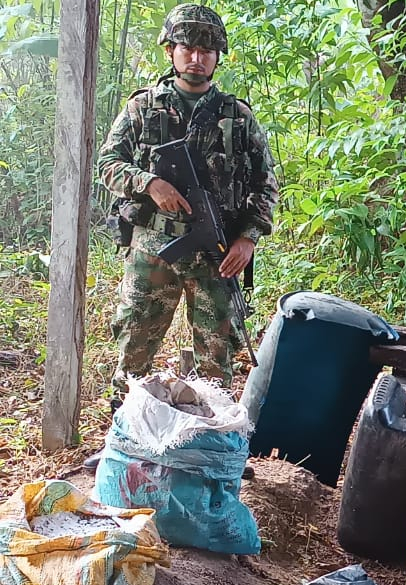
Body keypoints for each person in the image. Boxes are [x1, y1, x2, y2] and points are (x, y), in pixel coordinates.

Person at [98, 3, 278, 397]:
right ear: (171, 51)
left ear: (217, 57)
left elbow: (266, 183)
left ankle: (209, 434)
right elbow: (108, 164)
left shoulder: (237, 116)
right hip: (153, 248)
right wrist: (149, 183)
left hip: (218, 252)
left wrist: (248, 238)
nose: (196, 59)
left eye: (206, 51)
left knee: (216, 364)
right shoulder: (142, 107)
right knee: (133, 354)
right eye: (188, 49)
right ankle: (123, 429)